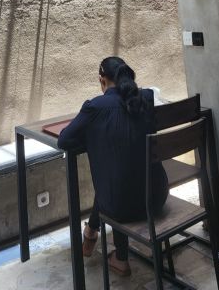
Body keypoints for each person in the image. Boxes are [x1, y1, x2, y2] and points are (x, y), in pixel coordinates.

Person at [58, 56, 169, 277]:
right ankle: (91, 232)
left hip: (123, 207)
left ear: (102, 80)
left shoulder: (95, 107)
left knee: (114, 179)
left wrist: (93, 137)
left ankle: (119, 257)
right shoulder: (146, 98)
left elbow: (64, 140)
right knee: (120, 171)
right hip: (157, 196)